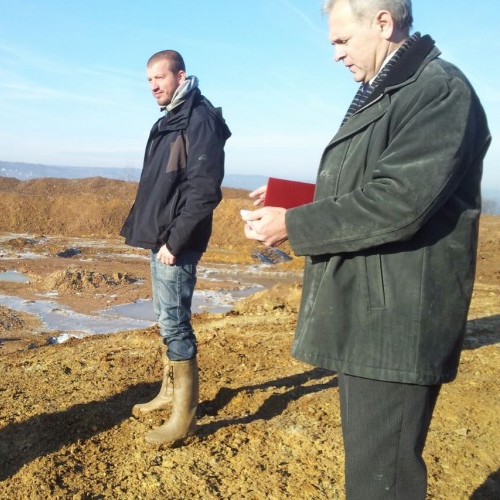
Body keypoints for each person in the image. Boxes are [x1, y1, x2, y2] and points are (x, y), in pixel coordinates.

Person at [242, 0, 491, 498]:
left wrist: (294, 223)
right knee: (370, 470)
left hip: (398, 321)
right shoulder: (388, 90)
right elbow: (375, 186)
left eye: (340, 40)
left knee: (384, 481)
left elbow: (399, 203)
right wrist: (295, 200)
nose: (335, 55)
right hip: (373, 313)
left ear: (383, 23)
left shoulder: (438, 90)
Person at [121, 49, 231, 446]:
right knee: (165, 318)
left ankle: (184, 417)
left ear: (180, 75)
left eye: (159, 78)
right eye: (148, 80)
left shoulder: (198, 118)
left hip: (176, 243)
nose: (153, 86)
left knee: (175, 322)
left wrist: (174, 241)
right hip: (162, 237)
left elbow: (204, 191)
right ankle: (169, 393)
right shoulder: (173, 117)